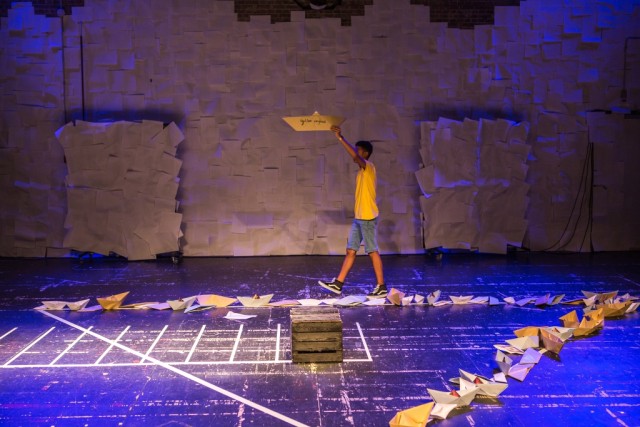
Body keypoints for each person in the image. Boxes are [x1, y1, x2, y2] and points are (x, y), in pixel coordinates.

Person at [318, 125, 387, 298]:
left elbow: (355, 157)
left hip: (368, 217)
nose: (356, 153)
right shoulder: (361, 172)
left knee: (372, 250)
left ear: (365, 153)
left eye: (358, 150)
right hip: (359, 217)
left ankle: (381, 286)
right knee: (351, 250)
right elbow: (356, 157)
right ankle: (338, 283)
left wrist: (340, 138)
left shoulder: (369, 167)